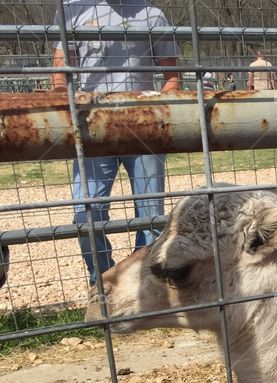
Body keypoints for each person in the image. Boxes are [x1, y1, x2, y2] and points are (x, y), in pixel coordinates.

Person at [52, 0, 180, 285]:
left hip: (143, 127)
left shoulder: (152, 15)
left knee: (150, 214)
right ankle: (103, 280)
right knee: (86, 212)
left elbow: (172, 77)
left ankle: (143, 282)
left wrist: (161, 111)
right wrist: (65, 109)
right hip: (91, 128)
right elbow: (60, 77)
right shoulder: (72, 11)